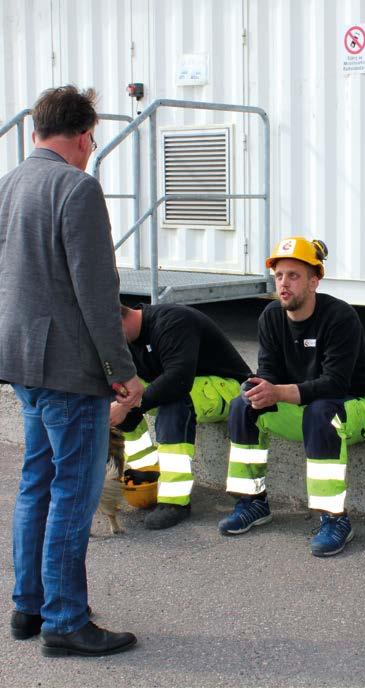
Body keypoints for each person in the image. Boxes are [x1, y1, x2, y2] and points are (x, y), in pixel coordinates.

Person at [0, 86, 144, 657]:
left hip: (22, 364)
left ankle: (27, 605)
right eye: (92, 139)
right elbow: (96, 290)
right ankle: (65, 620)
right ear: (84, 135)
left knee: (36, 482)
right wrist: (122, 369)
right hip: (68, 370)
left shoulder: (8, 184)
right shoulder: (77, 187)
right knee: (72, 493)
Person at [220, 236, 365, 556]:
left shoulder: (339, 317)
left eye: (294, 276)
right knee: (243, 406)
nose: (284, 283)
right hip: (309, 406)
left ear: (314, 281)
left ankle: (335, 518)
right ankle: (253, 502)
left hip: (360, 405)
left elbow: (336, 384)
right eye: (279, 275)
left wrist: (279, 392)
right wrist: (259, 388)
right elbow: (269, 372)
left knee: (321, 412)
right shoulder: (271, 317)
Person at [114, 304, 252, 530]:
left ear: (117, 322)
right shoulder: (128, 340)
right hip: (191, 389)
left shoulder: (173, 321)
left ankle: (174, 502)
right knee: (121, 395)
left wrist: (132, 405)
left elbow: (178, 379)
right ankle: (146, 475)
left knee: (172, 399)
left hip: (230, 390)